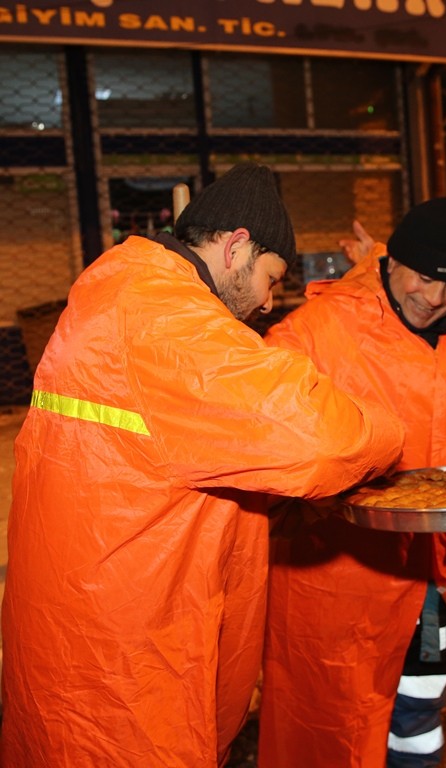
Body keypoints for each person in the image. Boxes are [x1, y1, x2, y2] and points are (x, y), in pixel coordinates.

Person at [0, 162, 405, 767]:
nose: (270, 303)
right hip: (127, 664)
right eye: (271, 278)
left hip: (103, 624)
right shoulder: (167, 320)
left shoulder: (126, 294)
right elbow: (321, 437)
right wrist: (393, 432)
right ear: (237, 244)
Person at [258, 197, 446, 768]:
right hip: (339, 575)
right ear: (393, 260)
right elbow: (263, 410)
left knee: (419, 706)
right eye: (423, 278)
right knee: (336, 724)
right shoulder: (323, 329)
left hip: (424, 570)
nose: (433, 299)